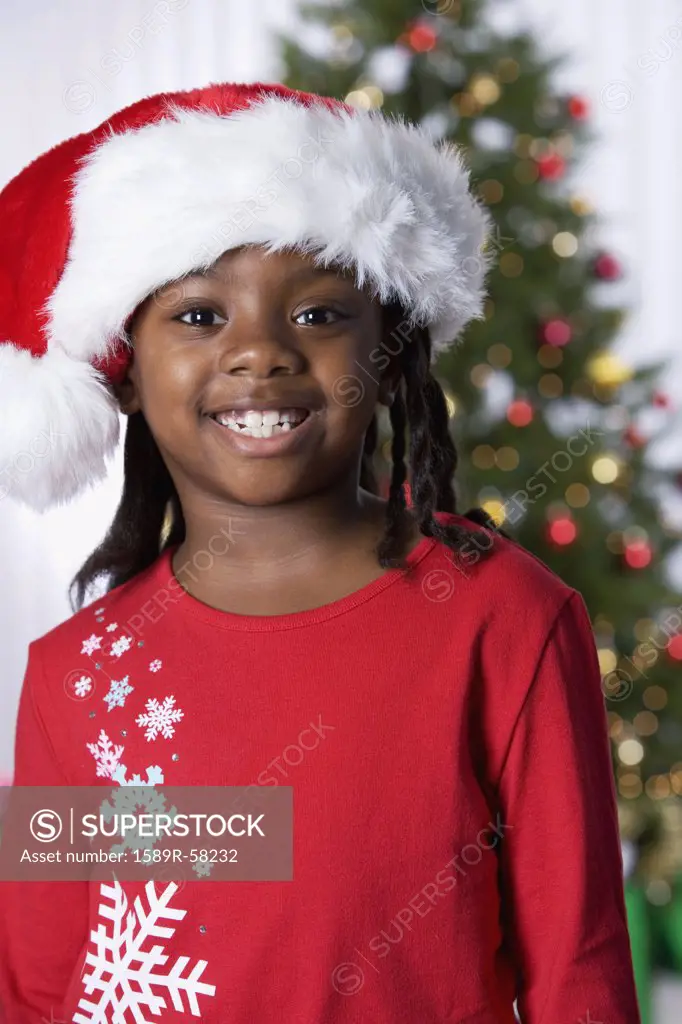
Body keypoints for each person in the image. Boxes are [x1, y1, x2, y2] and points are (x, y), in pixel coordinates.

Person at [0, 82, 641, 1023]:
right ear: (124, 367)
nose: (260, 353)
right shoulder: (76, 677)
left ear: (392, 352)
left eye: (317, 315)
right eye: (199, 316)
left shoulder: (505, 617)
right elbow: (39, 985)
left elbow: (577, 969)